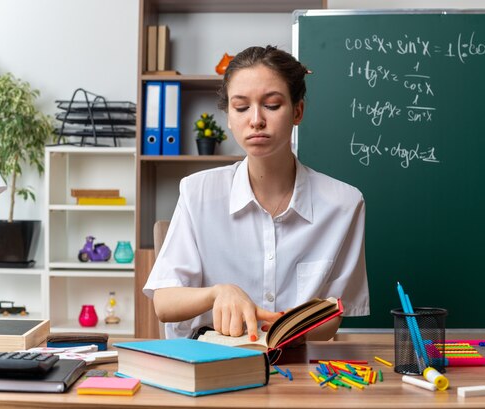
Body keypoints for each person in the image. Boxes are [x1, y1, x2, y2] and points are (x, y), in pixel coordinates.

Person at [143, 45, 369, 341]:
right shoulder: (197, 192)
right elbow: (163, 303)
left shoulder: (343, 203)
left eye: (272, 105)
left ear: (297, 111)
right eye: (241, 107)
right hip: (212, 364)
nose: (256, 120)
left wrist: (287, 326)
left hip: (295, 368)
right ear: (228, 116)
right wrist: (218, 294)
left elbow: (333, 316)